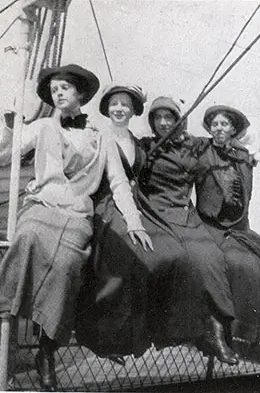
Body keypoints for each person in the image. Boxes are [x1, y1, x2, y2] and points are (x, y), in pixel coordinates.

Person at [0, 65, 151, 390]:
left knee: (66, 267)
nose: (58, 94)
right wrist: (9, 127)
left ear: (80, 95)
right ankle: (6, 339)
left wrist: (134, 222)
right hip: (42, 207)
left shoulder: (101, 135)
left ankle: (46, 351)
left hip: (77, 215)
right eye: (54, 90)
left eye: (65, 89)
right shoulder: (44, 126)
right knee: (27, 241)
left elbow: (118, 182)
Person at [77, 91, 239, 365]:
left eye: (125, 105)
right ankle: (113, 336)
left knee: (189, 258)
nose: (119, 109)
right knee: (135, 259)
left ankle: (211, 331)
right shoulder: (98, 135)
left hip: (144, 207)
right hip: (112, 205)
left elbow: (216, 147)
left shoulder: (139, 143)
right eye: (114, 104)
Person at [195, 105, 260, 344]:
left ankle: (249, 330)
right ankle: (220, 329)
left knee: (258, 266)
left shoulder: (243, 156)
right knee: (230, 263)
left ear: (233, 129)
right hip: (208, 225)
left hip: (237, 228)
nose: (219, 129)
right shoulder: (201, 150)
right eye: (215, 124)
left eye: (224, 124)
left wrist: (251, 152)